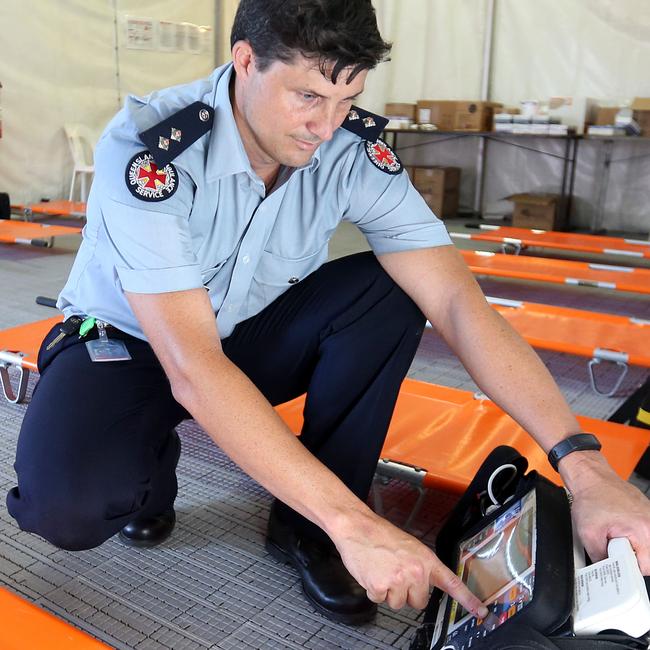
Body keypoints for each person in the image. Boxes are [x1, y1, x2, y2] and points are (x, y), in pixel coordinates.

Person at [7, 0, 650, 628]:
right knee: (68, 509)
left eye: (347, 100)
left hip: (244, 338)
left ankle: (307, 529)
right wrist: (361, 526)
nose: (326, 126)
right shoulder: (153, 150)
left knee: (394, 289)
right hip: (130, 347)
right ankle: (154, 465)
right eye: (308, 96)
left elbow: (456, 300)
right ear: (246, 60)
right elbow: (192, 364)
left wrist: (584, 465)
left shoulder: (348, 150)